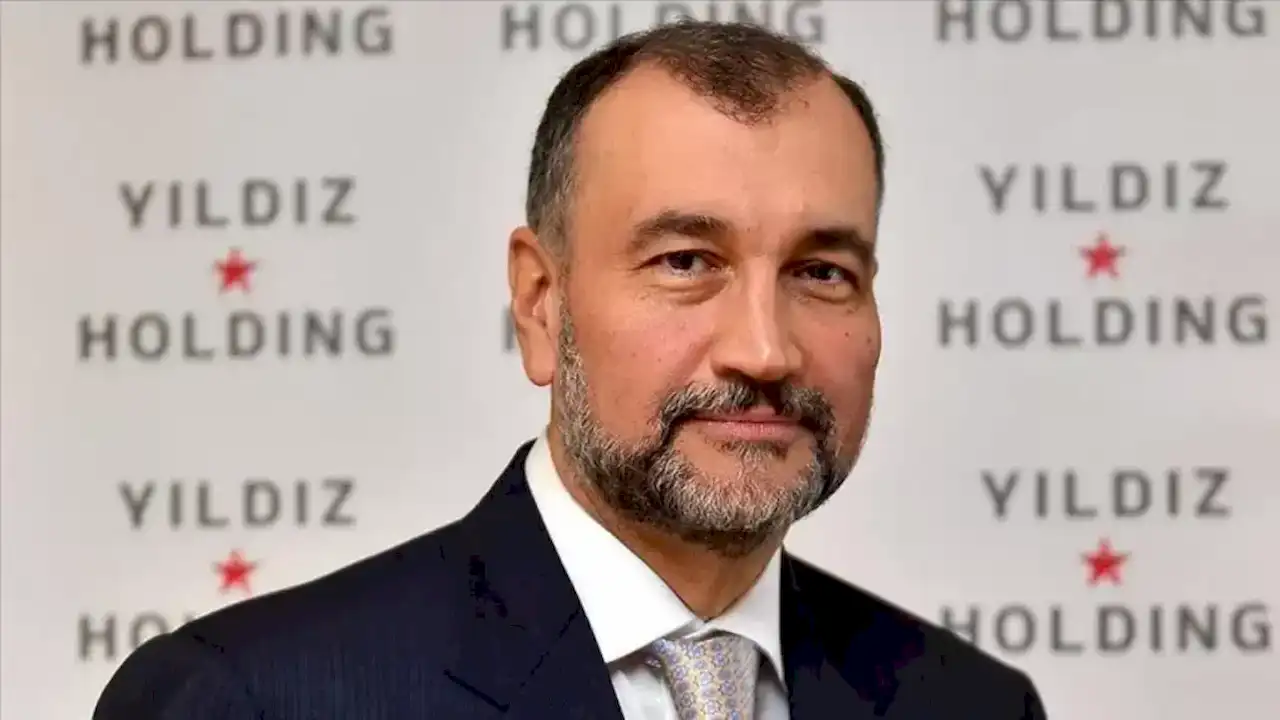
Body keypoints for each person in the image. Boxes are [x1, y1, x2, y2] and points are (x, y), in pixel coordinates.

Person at [94, 20, 1047, 720]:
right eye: (686, 261)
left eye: (821, 272)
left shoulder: (971, 705)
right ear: (541, 302)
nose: (765, 350)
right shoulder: (253, 700)